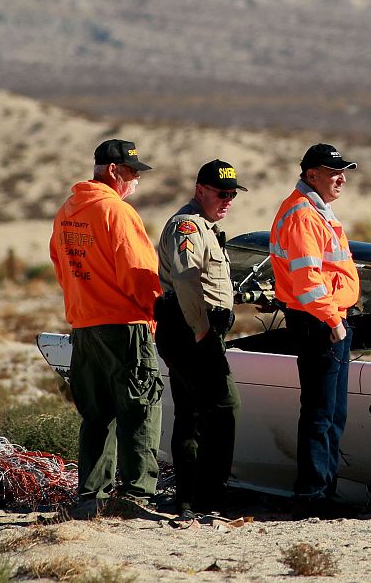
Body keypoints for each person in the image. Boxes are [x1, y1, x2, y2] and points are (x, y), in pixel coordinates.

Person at [48, 138, 163, 520]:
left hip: (84, 324)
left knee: (97, 414)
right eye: (131, 172)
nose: (135, 180)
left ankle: (90, 497)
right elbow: (139, 273)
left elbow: (60, 264)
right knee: (140, 409)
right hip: (125, 324)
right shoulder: (117, 211)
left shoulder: (67, 211)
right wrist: (155, 312)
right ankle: (137, 495)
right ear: (113, 171)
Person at [269, 142, 360, 515]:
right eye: (333, 172)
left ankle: (323, 493)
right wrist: (333, 319)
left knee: (331, 413)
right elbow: (307, 281)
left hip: (325, 319)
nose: (341, 179)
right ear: (311, 175)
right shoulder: (304, 215)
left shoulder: (314, 210)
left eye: (343, 171)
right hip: (321, 322)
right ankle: (313, 497)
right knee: (322, 413)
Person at [154, 159, 246, 519]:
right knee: (224, 407)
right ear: (200, 191)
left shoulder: (205, 226)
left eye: (232, 195)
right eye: (221, 194)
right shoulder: (188, 226)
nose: (228, 200)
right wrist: (203, 330)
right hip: (189, 329)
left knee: (191, 414)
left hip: (191, 328)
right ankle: (209, 496)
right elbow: (187, 279)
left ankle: (190, 499)